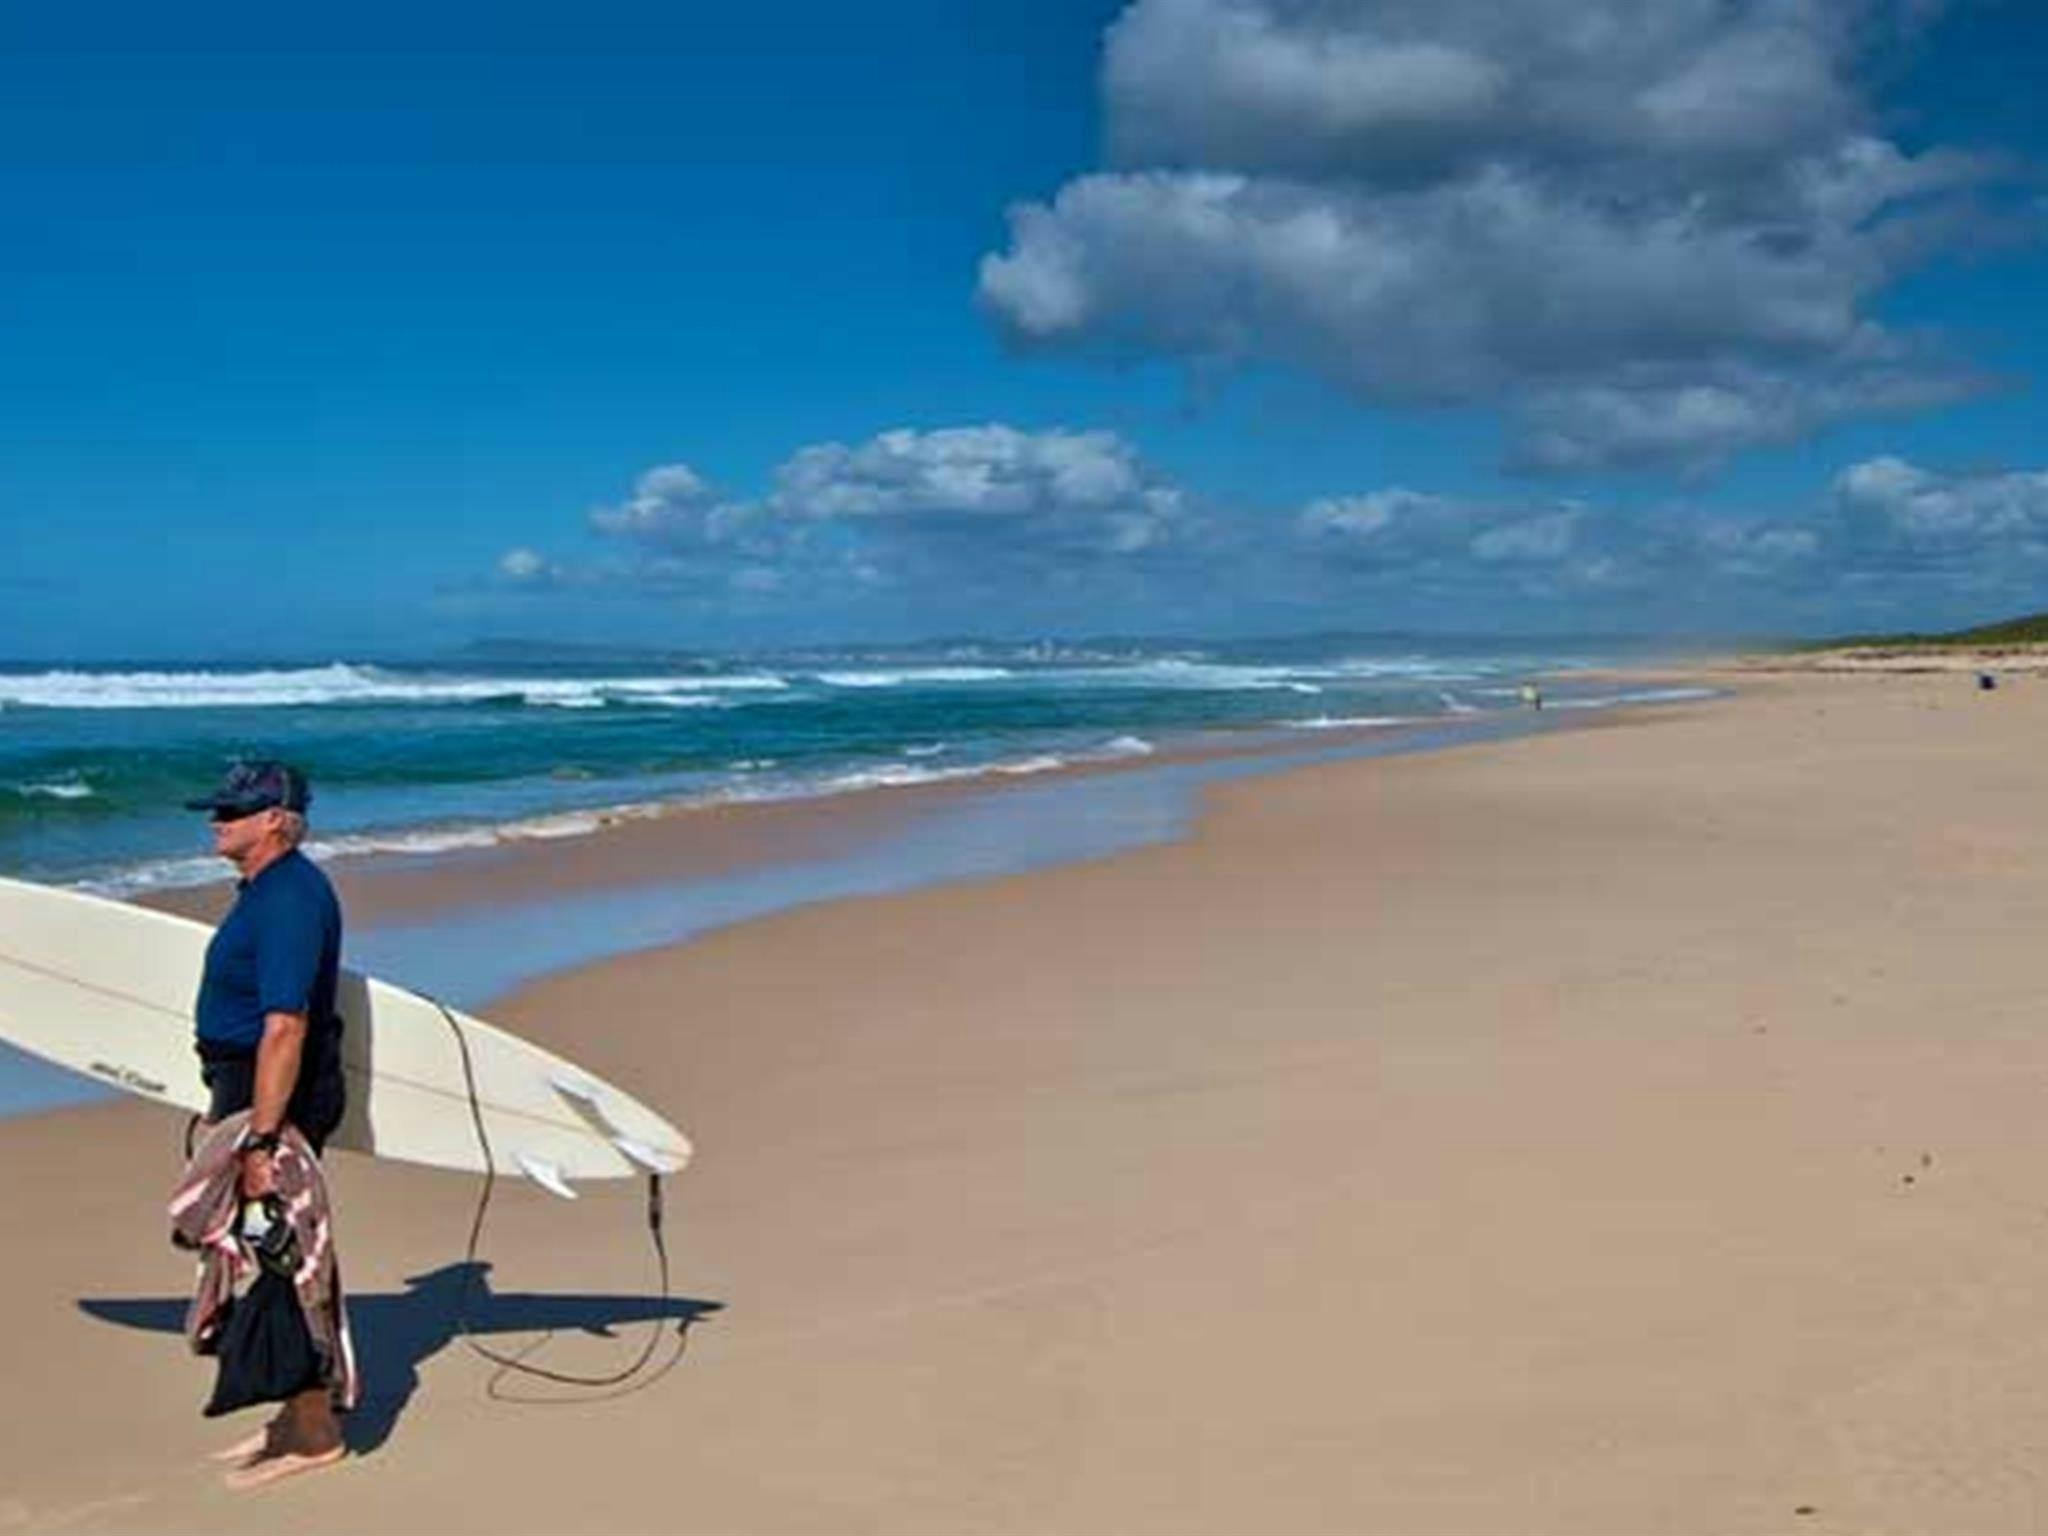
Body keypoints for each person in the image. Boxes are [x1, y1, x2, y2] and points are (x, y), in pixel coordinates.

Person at [184, 759, 349, 1484]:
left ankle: (314, 1435)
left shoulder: (288, 899)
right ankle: (287, 1415)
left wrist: (259, 1138)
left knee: (282, 1255)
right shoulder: (270, 888)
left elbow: (285, 1024)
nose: (217, 819)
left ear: (276, 820)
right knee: (265, 1252)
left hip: (269, 1102)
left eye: (233, 810)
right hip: (247, 1093)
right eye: (218, 808)